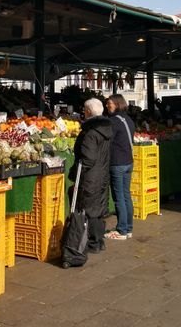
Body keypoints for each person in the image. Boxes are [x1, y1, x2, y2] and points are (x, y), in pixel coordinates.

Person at [69, 98, 113, 253]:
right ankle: (98, 241)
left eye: (84, 110)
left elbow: (88, 158)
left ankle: (93, 243)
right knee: (99, 208)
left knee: (90, 209)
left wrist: (75, 172)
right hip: (102, 173)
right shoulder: (106, 129)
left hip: (91, 176)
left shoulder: (90, 133)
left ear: (88, 111)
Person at [104, 94, 134, 240]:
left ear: (116, 104)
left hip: (117, 163)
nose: (107, 106)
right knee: (126, 195)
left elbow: (107, 141)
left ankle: (121, 230)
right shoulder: (127, 119)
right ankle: (128, 228)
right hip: (128, 161)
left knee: (119, 197)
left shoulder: (113, 121)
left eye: (109, 104)